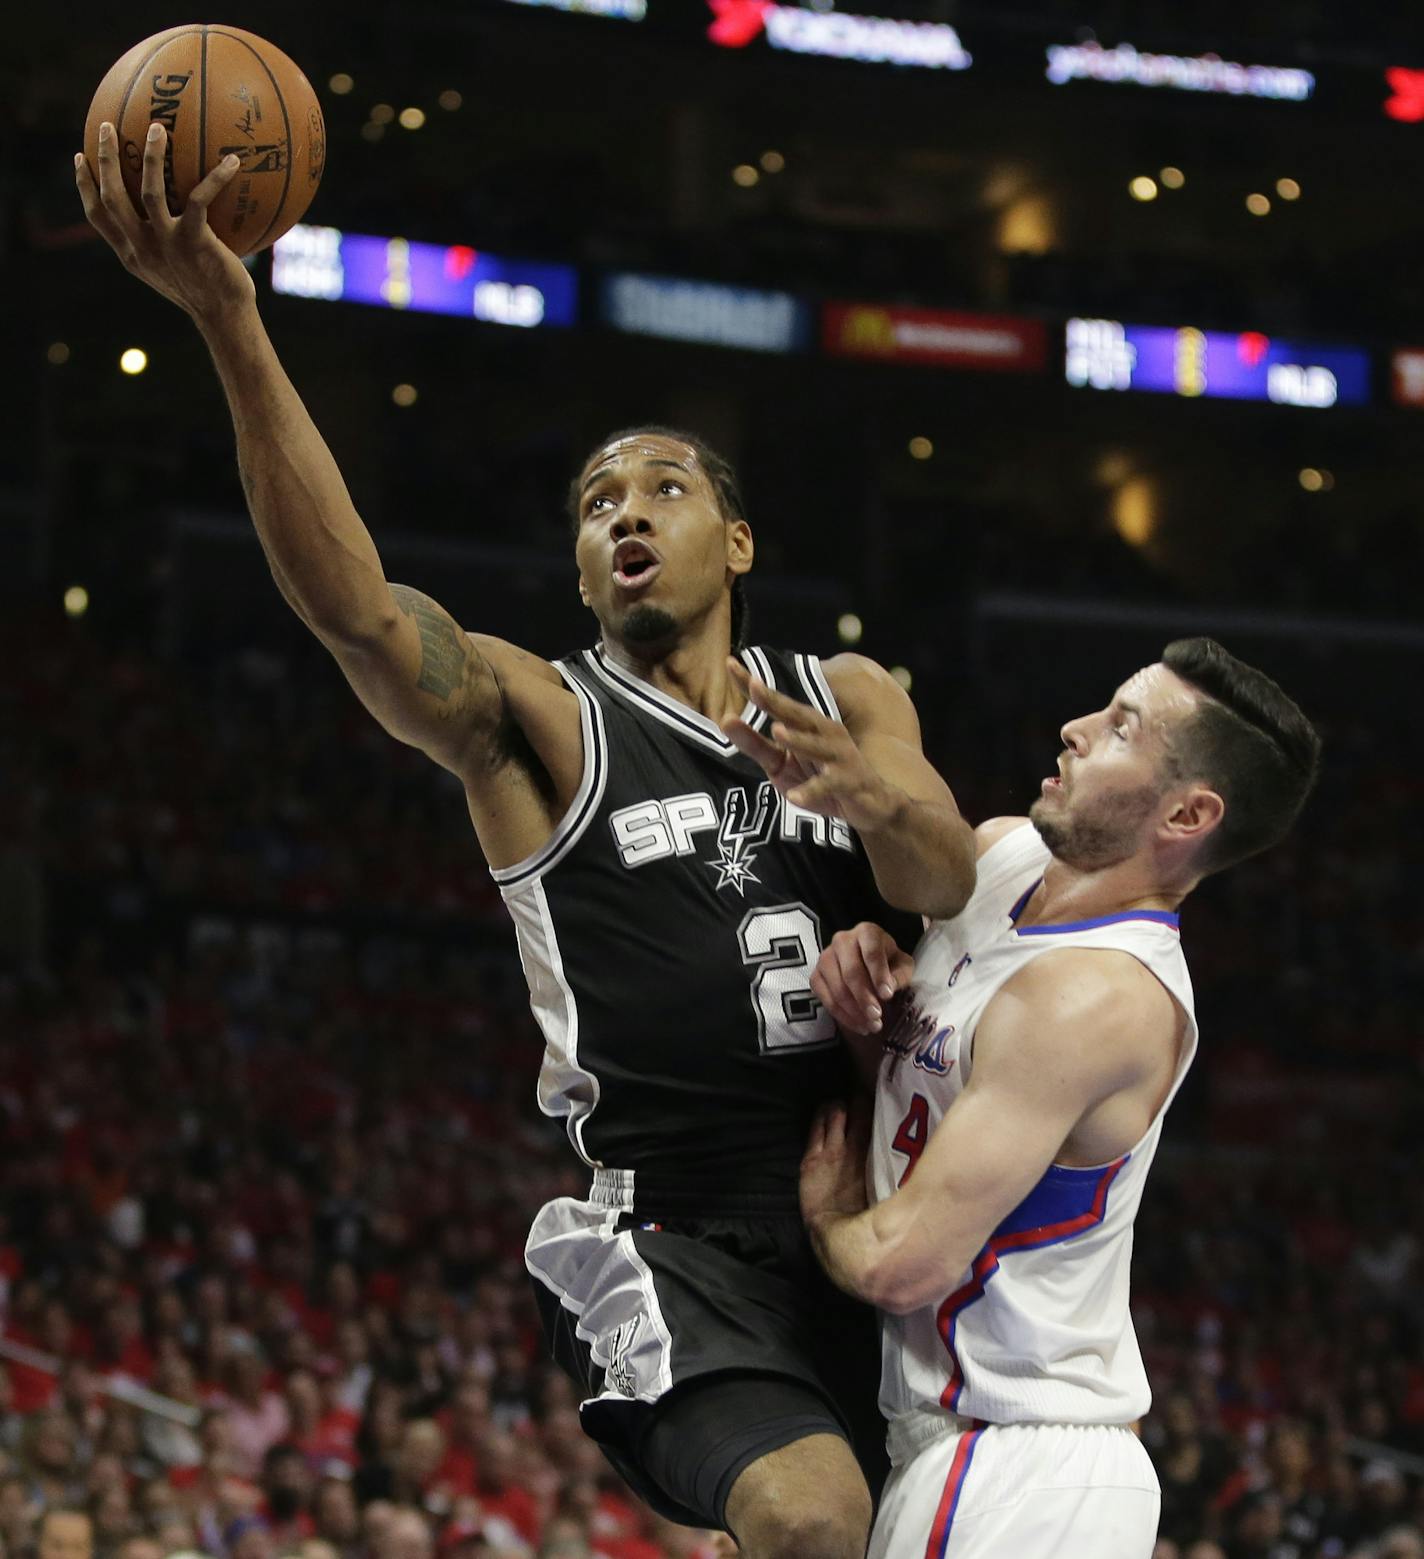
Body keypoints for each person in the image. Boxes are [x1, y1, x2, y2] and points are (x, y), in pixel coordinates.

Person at [75, 123, 978, 1559]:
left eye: (662, 489)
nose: (625, 514)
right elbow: (357, 610)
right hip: (674, 1235)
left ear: (737, 543)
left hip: (875, 1216)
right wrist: (232, 319)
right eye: (596, 505)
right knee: (810, 1517)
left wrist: (871, 801)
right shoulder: (538, 715)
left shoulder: (850, 695)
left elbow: (943, 875)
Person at [801, 638, 1320, 1559]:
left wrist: (829, 1204)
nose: (1076, 731)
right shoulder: (1000, 857)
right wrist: (865, 993)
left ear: (1190, 810)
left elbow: (897, 1264)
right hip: (962, 1447)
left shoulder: (1102, 996)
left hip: (1021, 1458)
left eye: (1121, 727)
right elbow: (920, 1077)